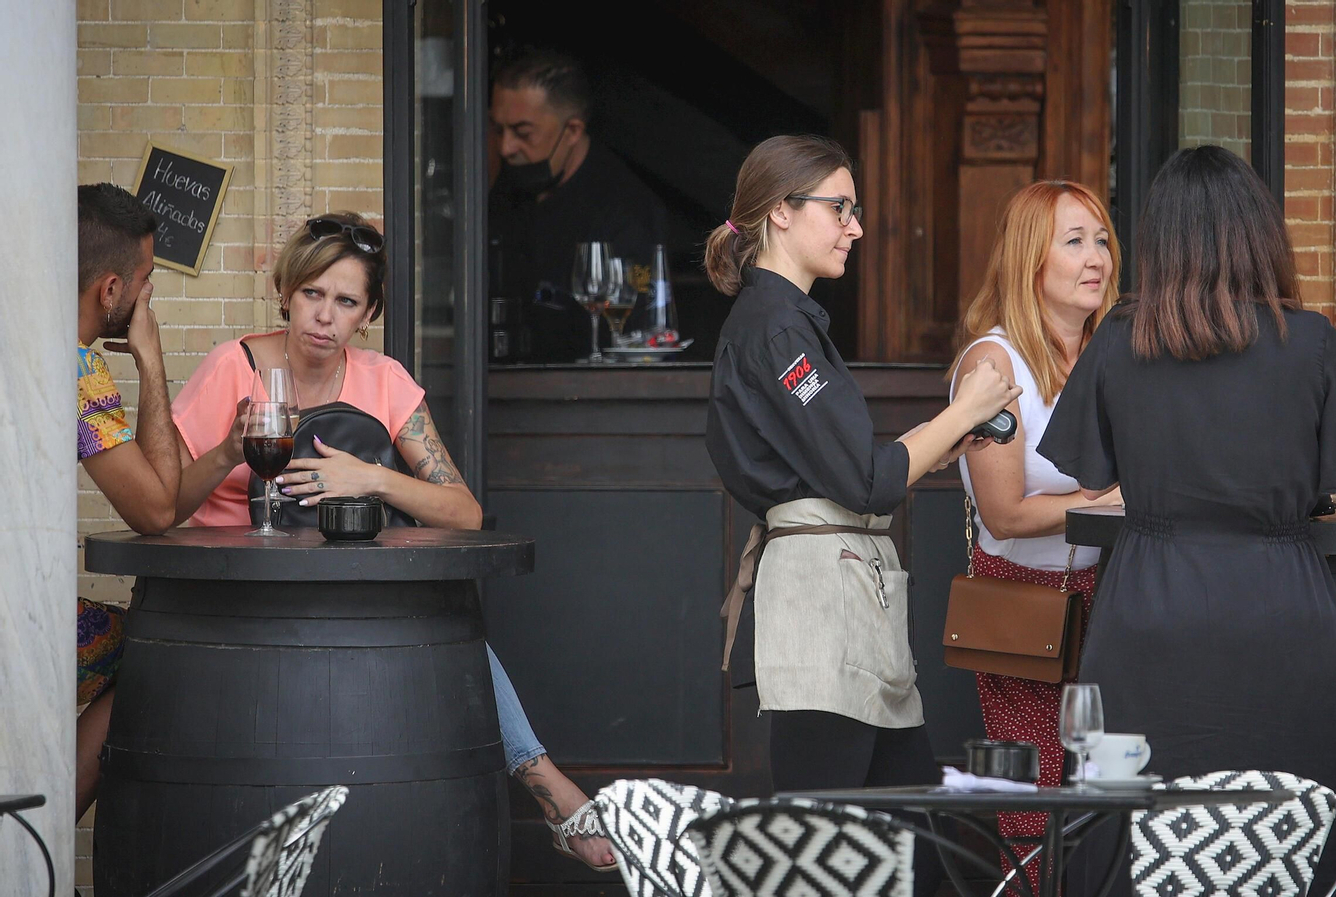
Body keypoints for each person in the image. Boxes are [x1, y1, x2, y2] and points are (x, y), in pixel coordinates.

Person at [168, 212, 616, 871]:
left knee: (438, 616)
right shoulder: (230, 369)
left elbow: (463, 511)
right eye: (312, 294)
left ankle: (541, 776)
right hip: (241, 605)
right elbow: (166, 501)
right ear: (286, 292)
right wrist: (226, 452)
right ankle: (549, 781)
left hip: (348, 595)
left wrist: (372, 477)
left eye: (345, 301)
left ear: (368, 311)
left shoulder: (383, 380)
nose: (324, 316)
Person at [1037, 146, 1336, 894]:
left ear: (1161, 238)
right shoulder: (1313, 343)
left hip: (1146, 611)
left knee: (1124, 830)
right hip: (1282, 612)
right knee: (1290, 830)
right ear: (1259, 232)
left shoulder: (1119, 341)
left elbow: (1088, 468)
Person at [704, 135, 1021, 897]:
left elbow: (856, 474)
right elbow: (870, 480)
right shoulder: (777, 328)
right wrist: (968, 408)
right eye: (839, 207)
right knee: (826, 852)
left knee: (915, 850)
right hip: (824, 603)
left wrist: (944, 442)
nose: (856, 225)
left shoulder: (786, 322)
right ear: (781, 212)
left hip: (849, 600)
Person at [946, 180, 1125, 891]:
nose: (1097, 259)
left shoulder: (1108, 353)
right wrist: (1110, 499)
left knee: (1107, 796)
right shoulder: (995, 363)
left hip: (1110, 594)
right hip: (1024, 598)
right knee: (1034, 803)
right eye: (1074, 241)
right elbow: (1005, 513)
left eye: (1103, 240)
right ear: (1030, 259)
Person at [73, 183, 184, 821]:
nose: (148, 296)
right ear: (112, 290)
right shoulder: (78, 369)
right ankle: (36, 851)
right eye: (144, 281)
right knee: (146, 655)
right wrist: (150, 358)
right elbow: (156, 511)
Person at [488, 49, 669, 362]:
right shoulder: (503, 193)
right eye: (498, 130)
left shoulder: (625, 210)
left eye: (522, 132)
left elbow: (637, 339)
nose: (506, 147)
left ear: (572, 130)